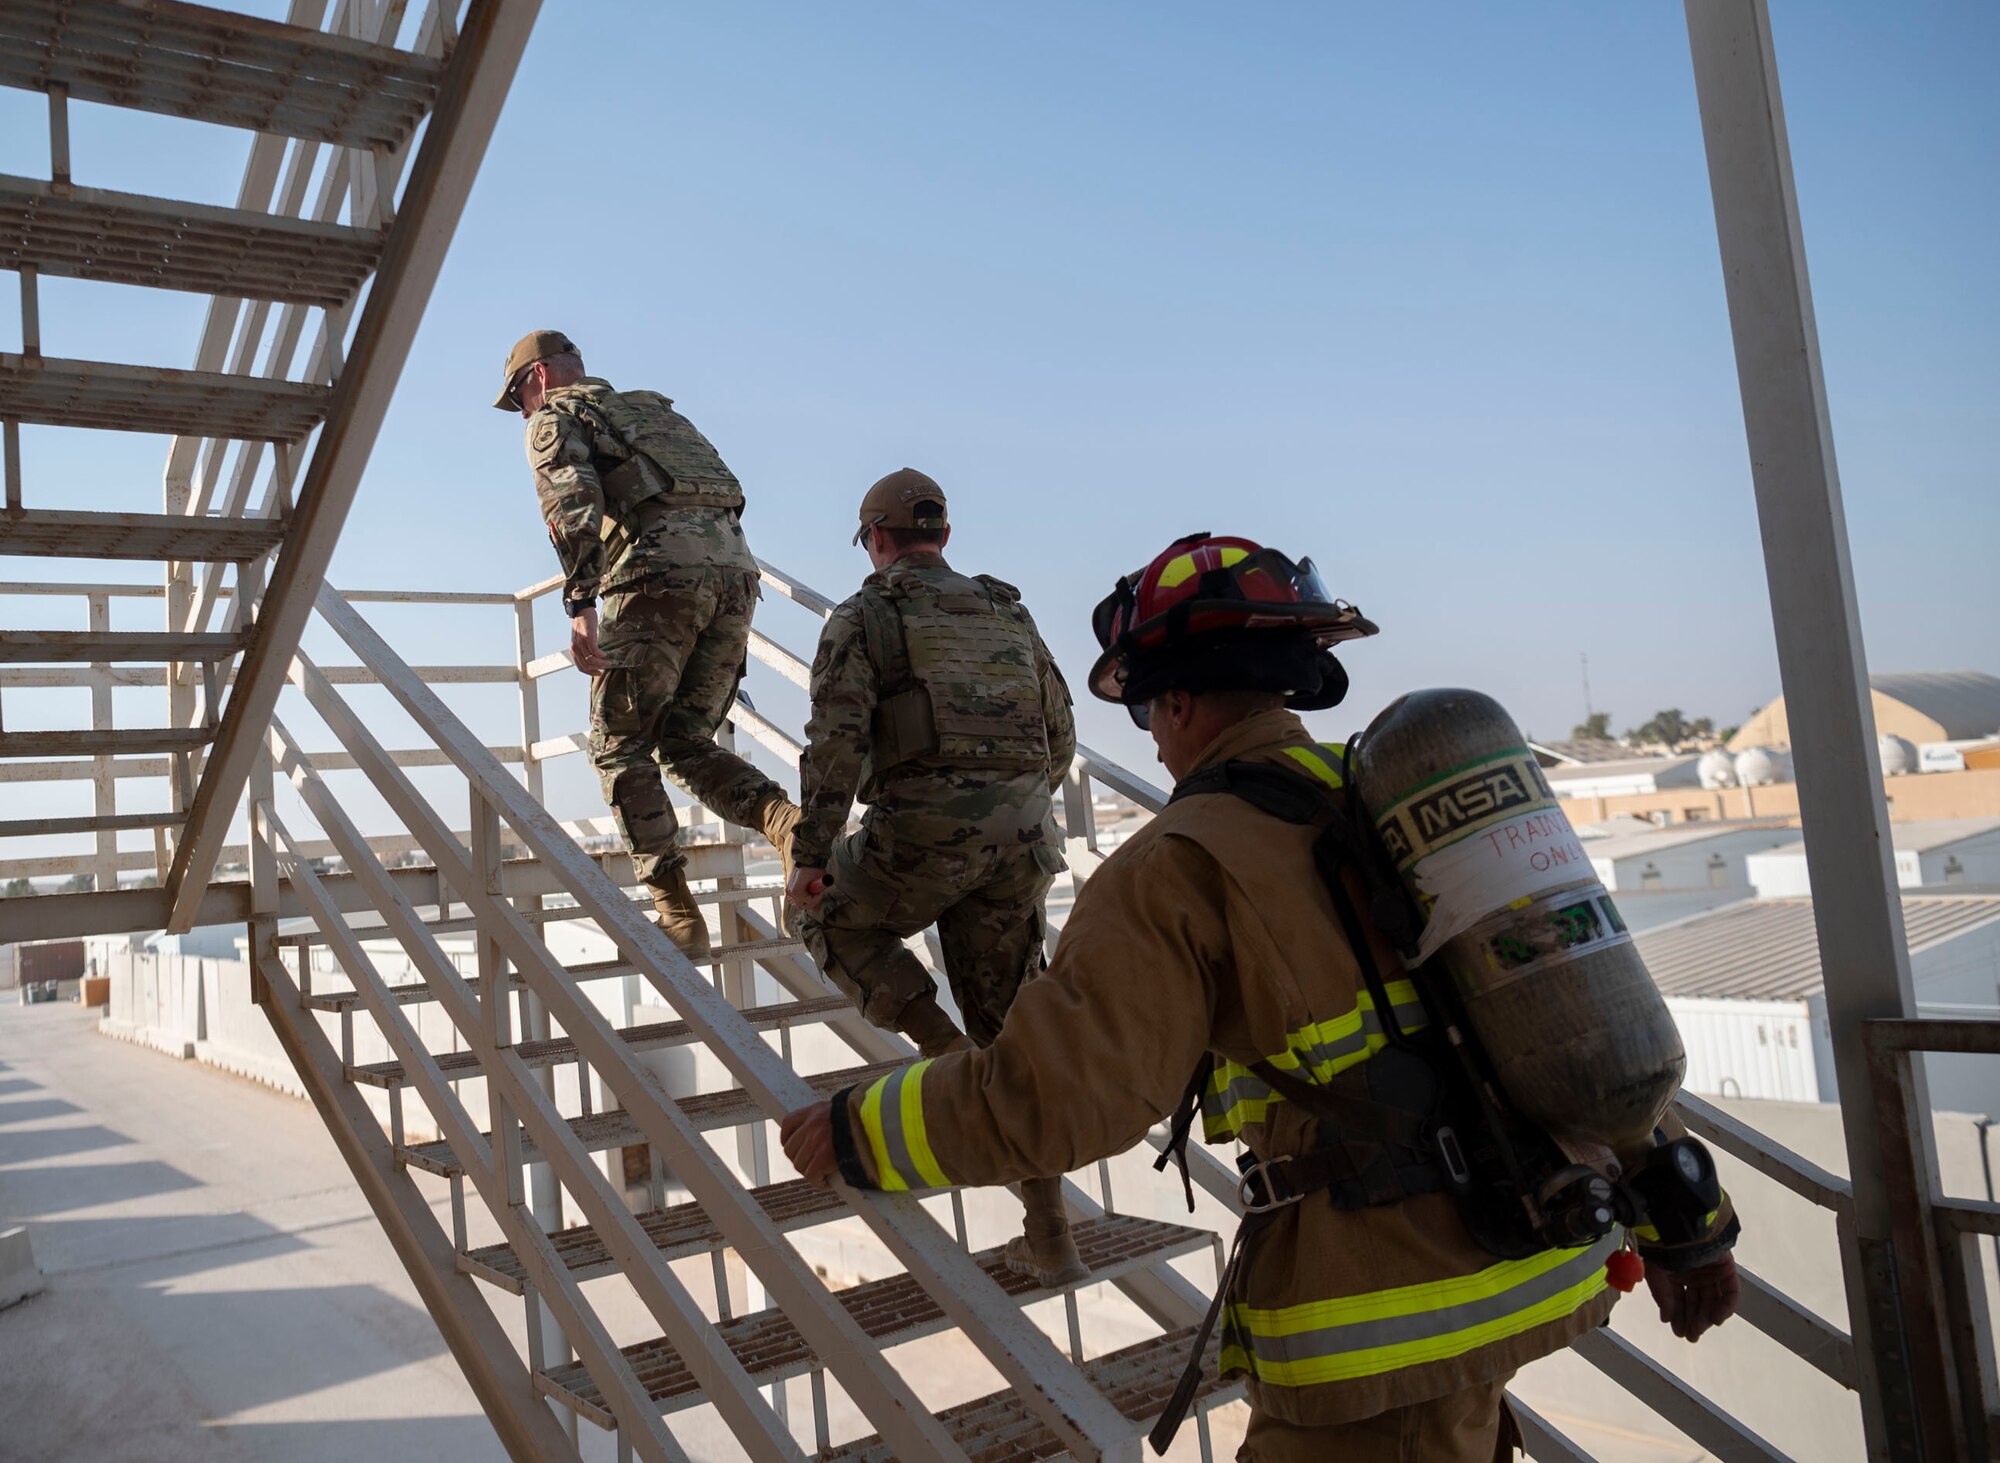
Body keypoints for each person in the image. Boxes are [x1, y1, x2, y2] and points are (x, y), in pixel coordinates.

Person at [782, 532, 1742, 1461]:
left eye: (1148, 711)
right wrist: (1683, 1218)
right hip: (1530, 1244)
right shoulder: (1373, 795)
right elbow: (1552, 1007)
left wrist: (864, 1128)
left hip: (1387, 1319)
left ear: (1183, 701)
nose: (1153, 743)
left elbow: (1059, 1096)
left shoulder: (1174, 864)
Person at [783, 468, 1084, 1284]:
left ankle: (949, 1061)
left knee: (825, 916)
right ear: (943, 536)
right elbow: (1060, 732)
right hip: (1022, 838)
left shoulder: (866, 614)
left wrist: (811, 857)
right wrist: (1008, 807)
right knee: (1011, 1020)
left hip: (917, 841)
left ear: (875, 540)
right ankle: (1051, 1232)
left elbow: (837, 746)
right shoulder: (1005, 609)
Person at [497, 329, 799, 960]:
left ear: (541, 379)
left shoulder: (555, 415)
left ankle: (676, 913)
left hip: (657, 574)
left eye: (520, 397)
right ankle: (787, 825)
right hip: (737, 575)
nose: (523, 412)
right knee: (685, 740)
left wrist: (580, 602)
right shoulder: (655, 411)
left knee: (616, 742)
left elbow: (572, 499)